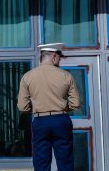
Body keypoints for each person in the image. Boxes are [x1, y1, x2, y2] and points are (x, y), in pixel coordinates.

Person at [17, 43, 81, 171]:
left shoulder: (28, 76)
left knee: (41, 162)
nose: (60, 60)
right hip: (61, 120)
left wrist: (38, 107)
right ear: (54, 57)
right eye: (59, 58)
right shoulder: (66, 75)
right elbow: (76, 104)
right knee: (65, 161)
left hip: (40, 121)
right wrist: (61, 107)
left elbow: (22, 107)